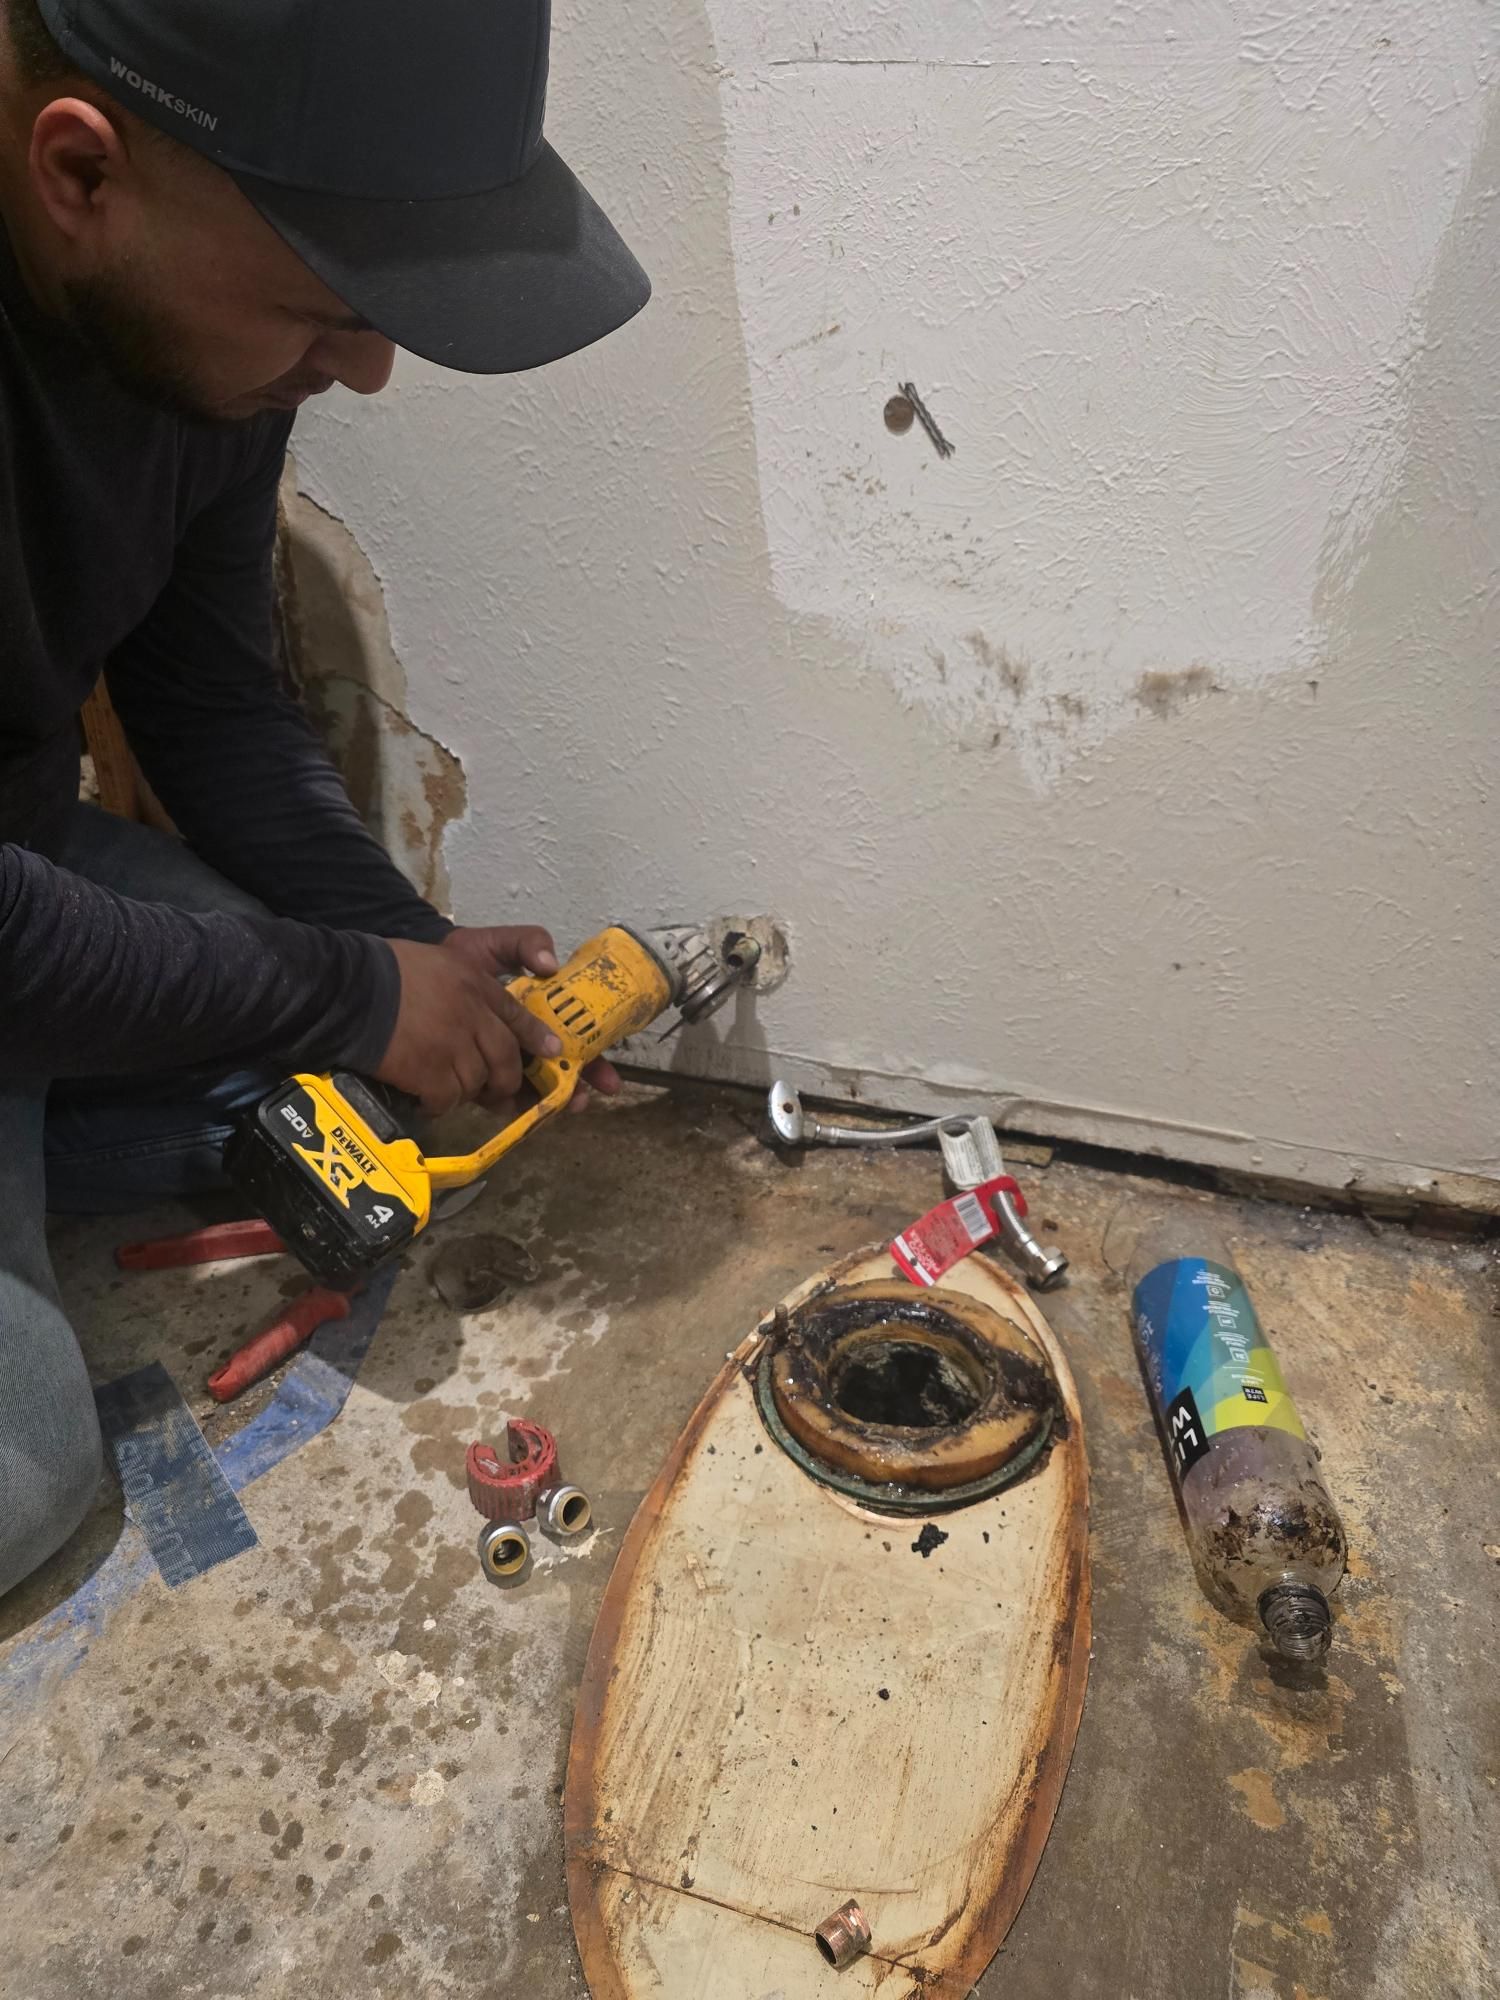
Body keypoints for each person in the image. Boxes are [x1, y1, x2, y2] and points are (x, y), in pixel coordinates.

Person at [0, 0, 651, 1598]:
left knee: (350, 1108)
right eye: (322, 305)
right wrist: (352, 990)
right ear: (82, 172)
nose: (361, 370)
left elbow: (207, 697)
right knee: (22, 1474)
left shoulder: (178, 325)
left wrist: (392, 946)